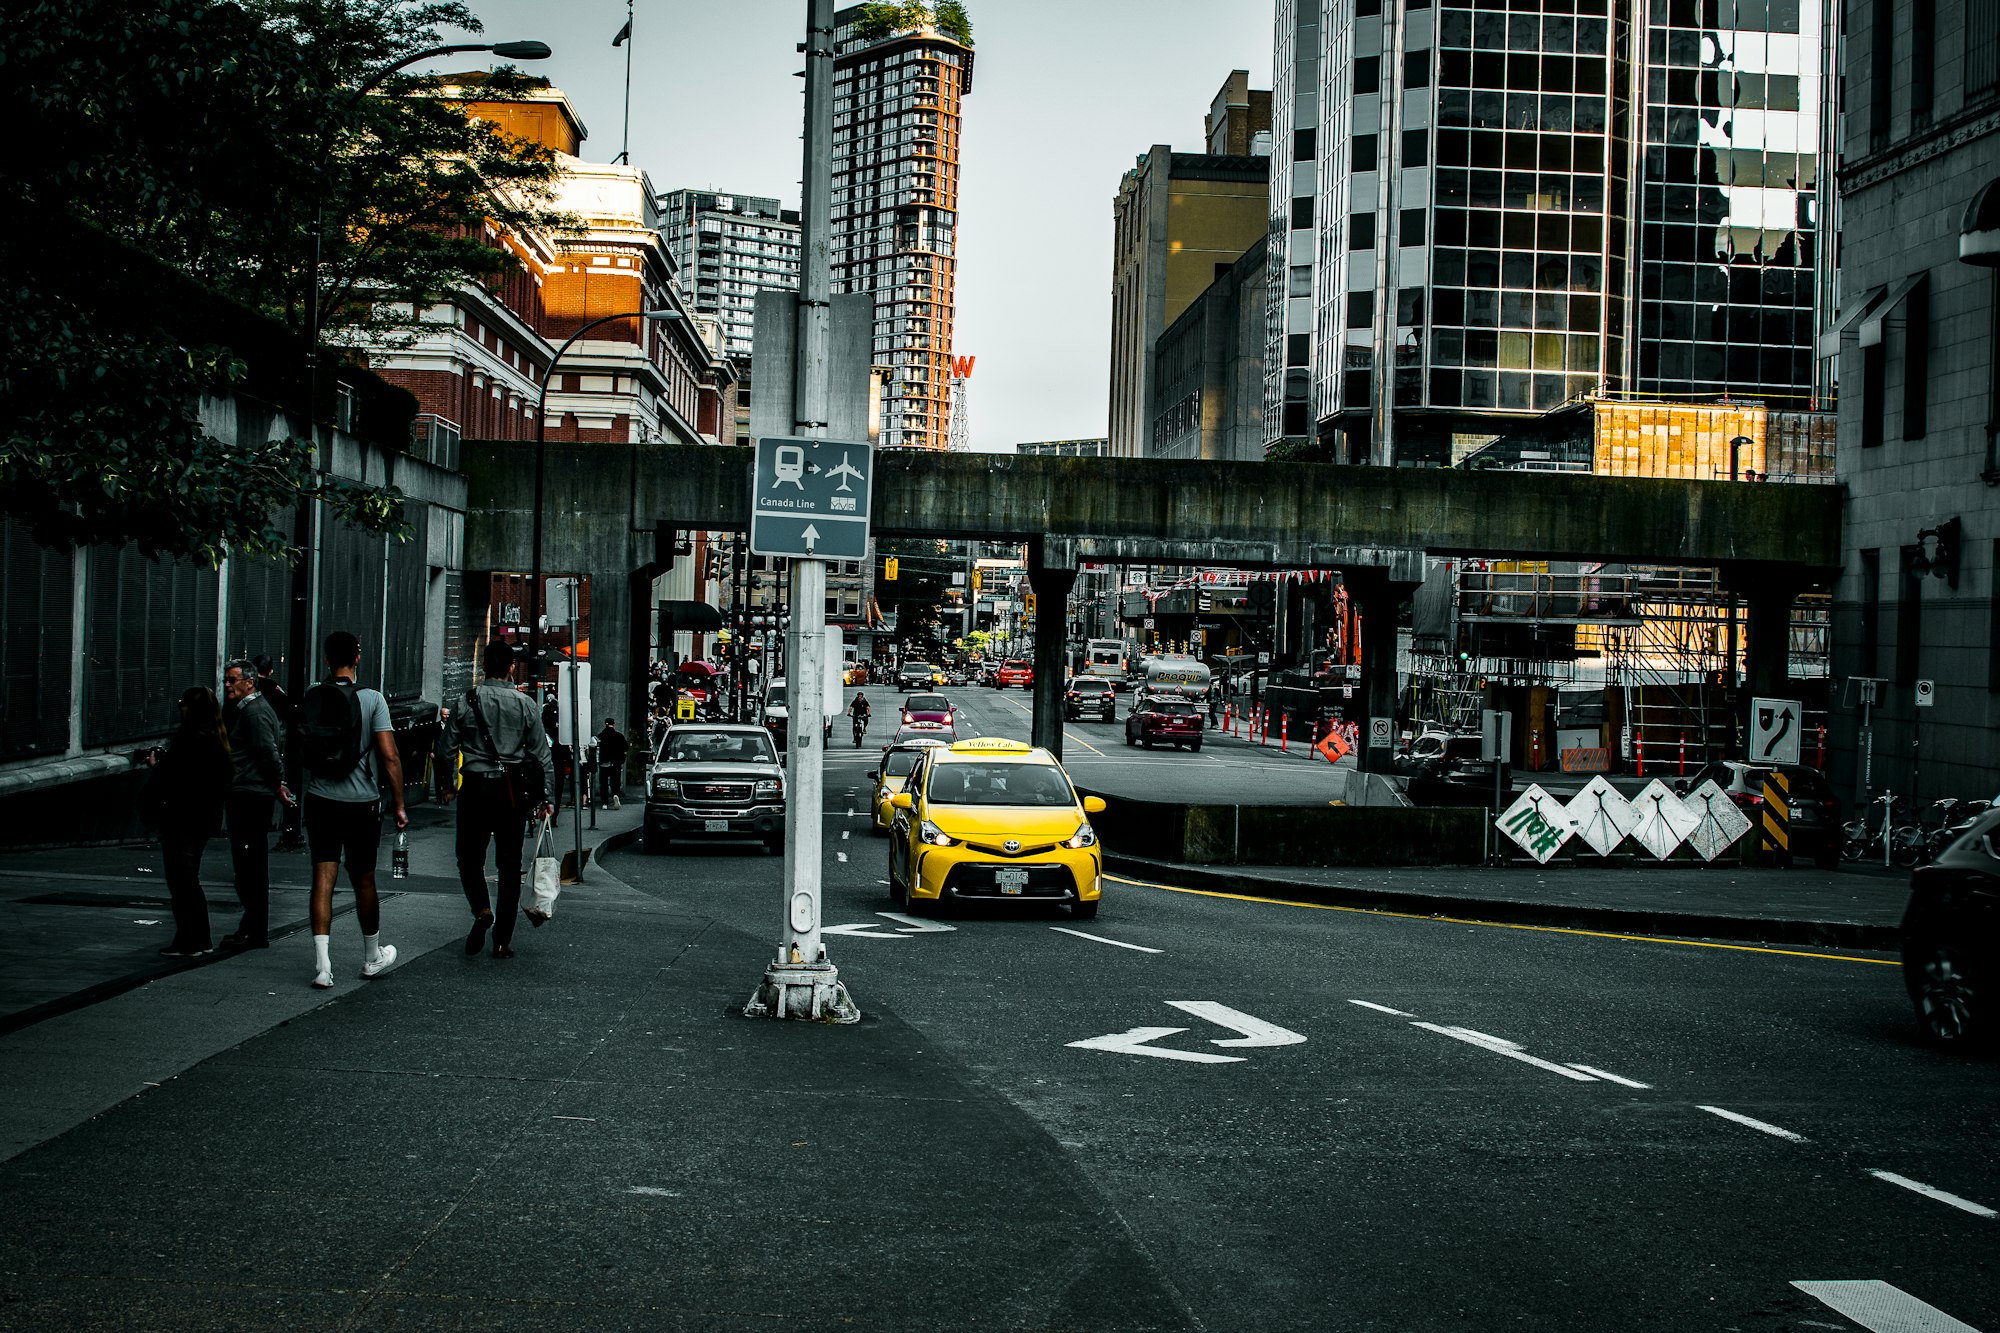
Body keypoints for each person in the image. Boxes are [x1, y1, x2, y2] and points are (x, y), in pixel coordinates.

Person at [296, 630, 405, 989]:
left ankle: (323, 966)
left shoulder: (314, 695)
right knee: (363, 879)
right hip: (361, 803)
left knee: (323, 878)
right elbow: (389, 756)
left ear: (326, 659)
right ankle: (372, 956)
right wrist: (399, 804)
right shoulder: (372, 699)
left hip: (321, 798)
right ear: (357, 658)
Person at [437, 641, 556, 956]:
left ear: (484, 667)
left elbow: (445, 748)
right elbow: (542, 756)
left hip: (475, 786)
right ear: (512, 668)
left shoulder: (466, 701)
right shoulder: (525, 704)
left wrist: (447, 784)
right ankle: (502, 940)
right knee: (509, 864)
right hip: (511, 789)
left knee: (469, 857)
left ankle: (481, 909)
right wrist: (547, 797)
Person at [145, 687, 233, 957]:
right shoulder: (217, 738)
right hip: (203, 819)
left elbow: (172, 777)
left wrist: (156, 766)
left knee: (181, 881)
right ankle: (200, 938)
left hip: (182, 818)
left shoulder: (189, 738)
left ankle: (189, 940)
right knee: (189, 879)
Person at [220, 660, 291, 949]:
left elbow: (267, 752)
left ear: (249, 682)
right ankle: (251, 927)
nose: (227, 685)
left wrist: (279, 783)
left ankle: (254, 928)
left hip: (250, 795)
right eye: (226, 680)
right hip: (251, 792)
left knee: (249, 865)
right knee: (249, 865)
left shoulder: (254, 713)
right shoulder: (251, 710)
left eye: (232, 679)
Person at [594, 719, 629, 808]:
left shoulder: (601, 736)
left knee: (604, 783)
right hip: (616, 763)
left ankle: (604, 803)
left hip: (604, 763)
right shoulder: (619, 736)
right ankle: (615, 795)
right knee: (615, 782)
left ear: (605, 724)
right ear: (614, 724)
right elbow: (625, 749)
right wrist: (621, 760)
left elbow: (596, 748)